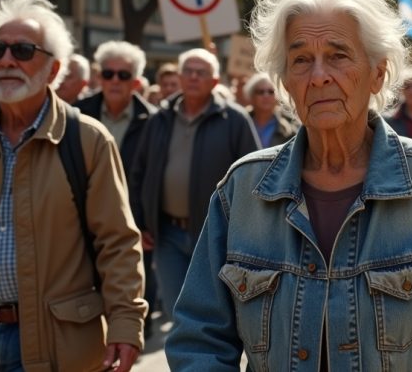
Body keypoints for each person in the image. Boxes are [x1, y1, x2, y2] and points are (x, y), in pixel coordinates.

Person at [165, 0, 412, 370]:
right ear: (285, 82)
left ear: (378, 74)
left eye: (338, 55)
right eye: (300, 60)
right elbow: (199, 339)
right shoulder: (242, 191)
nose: (318, 76)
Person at [0, 0, 146, 371]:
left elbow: (117, 242)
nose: (7, 60)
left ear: (54, 68)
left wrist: (126, 323)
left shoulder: (87, 139)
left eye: (23, 50)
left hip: (58, 342)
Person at [130, 48, 260, 320]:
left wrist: (243, 232)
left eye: (201, 73)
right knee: (177, 315)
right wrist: (141, 222)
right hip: (167, 235)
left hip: (216, 235)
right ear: (178, 76)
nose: (192, 77)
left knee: (216, 315)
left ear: (215, 81)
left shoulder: (234, 120)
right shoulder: (159, 119)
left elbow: (254, 178)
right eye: (187, 71)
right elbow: (139, 172)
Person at [75, 40, 159, 336]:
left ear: (136, 82)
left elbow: (154, 177)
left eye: (123, 75)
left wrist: (150, 223)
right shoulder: (76, 115)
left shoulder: (153, 120)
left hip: (133, 225)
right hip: (80, 222)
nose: (114, 81)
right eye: (108, 73)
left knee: (131, 295)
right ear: (98, 77)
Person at [243, 71, 298, 147]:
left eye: (271, 92)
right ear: (251, 96)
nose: (266, 96)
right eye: (261, 92)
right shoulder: (239, 123)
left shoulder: (289, 130)